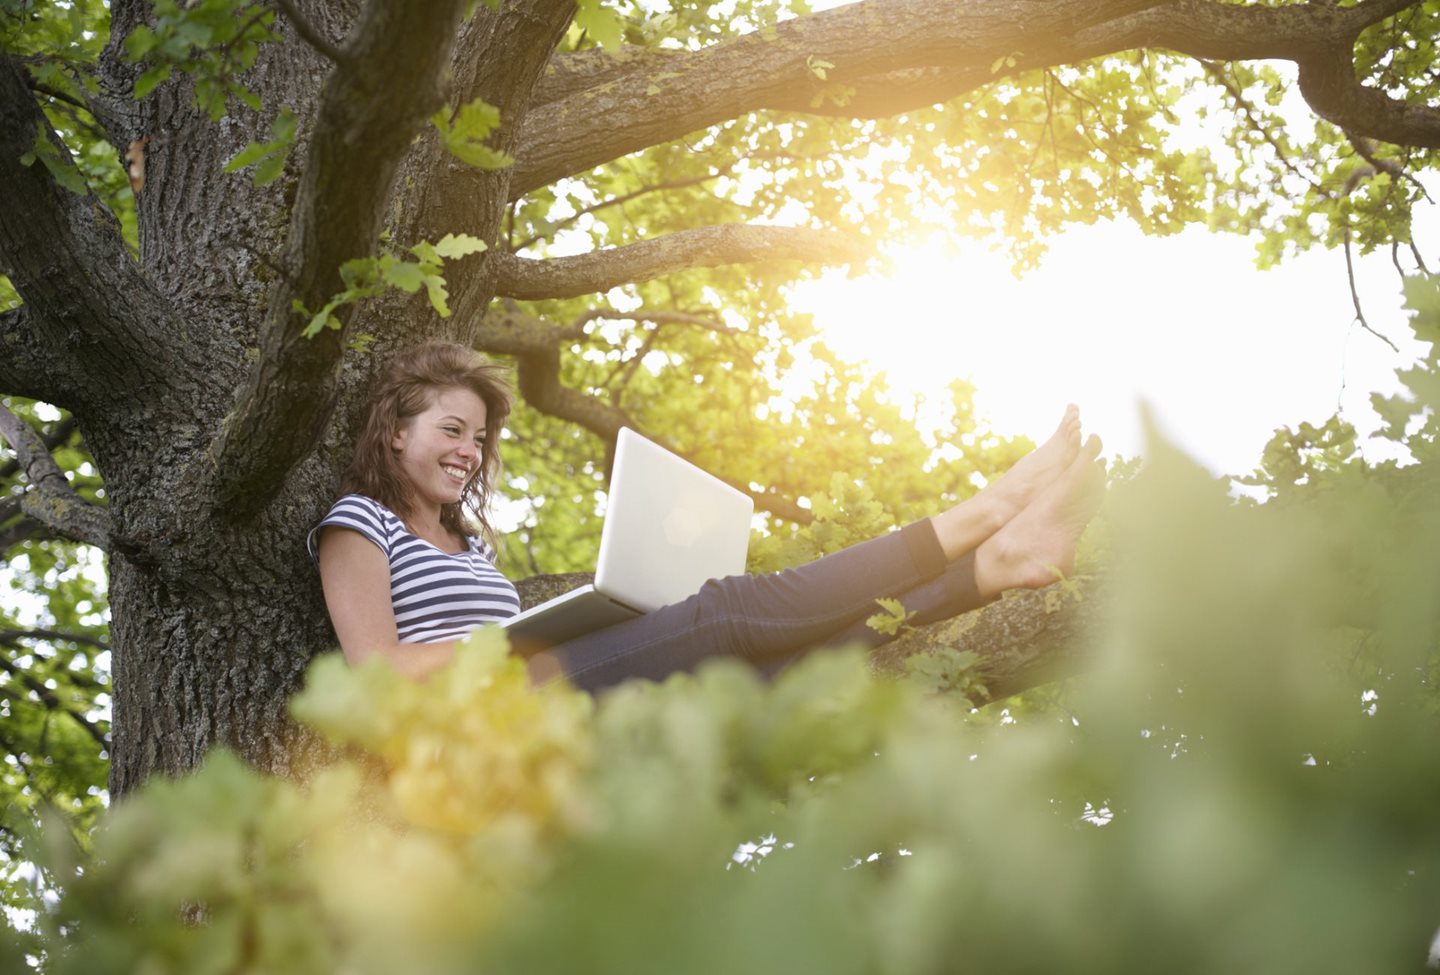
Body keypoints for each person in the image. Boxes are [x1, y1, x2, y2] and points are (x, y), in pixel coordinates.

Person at [311, 342, 1104, 690]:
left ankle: (988, 569)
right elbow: (376, 672)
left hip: (541, 696)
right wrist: (503, 646)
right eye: (451, 431)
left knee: (764, 673)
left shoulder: (470, 544)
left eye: (478, 439)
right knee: (726, 610)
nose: (469, 452)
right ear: (394, 432)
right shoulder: (360, 521)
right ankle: (987, 510)